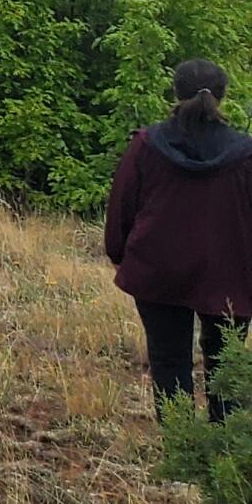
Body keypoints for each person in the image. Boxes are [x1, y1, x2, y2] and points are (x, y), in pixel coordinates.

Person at [107, 59, 252, 421]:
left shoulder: (146, 145)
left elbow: (122, 204)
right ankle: (224, 455)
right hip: (231, 273)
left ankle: (179, 452)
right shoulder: (246, 152)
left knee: (169, 360)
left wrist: (118, 252)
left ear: (175, 92)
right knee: (226, 364)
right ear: (222, 97)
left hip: (159, 269)